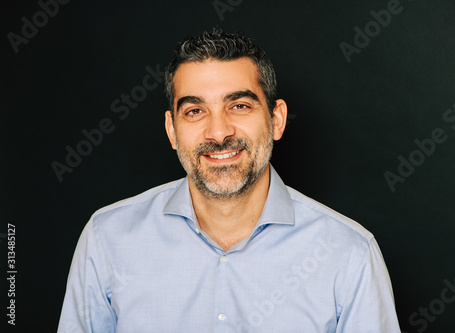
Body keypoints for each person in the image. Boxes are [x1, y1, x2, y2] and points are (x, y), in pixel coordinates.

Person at [58, 28, 401, 332]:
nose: (219, 132)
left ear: (276, 119)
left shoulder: (349, 255)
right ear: (171, 130)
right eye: (195, 111)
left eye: (239, 105)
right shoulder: (106, 240)